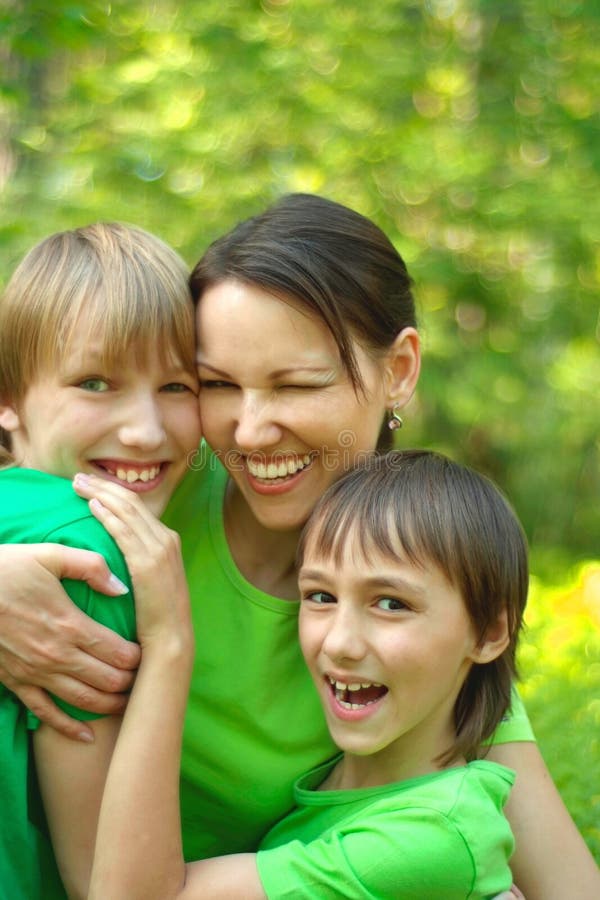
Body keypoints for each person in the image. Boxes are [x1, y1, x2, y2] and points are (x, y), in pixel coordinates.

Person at [0, 195, 598, 899]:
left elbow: (565, 883)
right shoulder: (148, 483)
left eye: (299, 384)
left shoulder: (414, 591)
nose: (250, 433)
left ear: (400, 369)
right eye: (218, 384)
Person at [81, 449, 526, 899]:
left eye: (392, 604)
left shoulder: (436, 836)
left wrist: (168, 642)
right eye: (320, 596)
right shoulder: (339, 779)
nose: (338, 643)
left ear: (489, 633)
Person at [0, 222, 201, 899]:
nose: (145, 430)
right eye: (95, 382)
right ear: (7, 397)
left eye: (178, 386)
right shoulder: (92, 553)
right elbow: (108, 883)